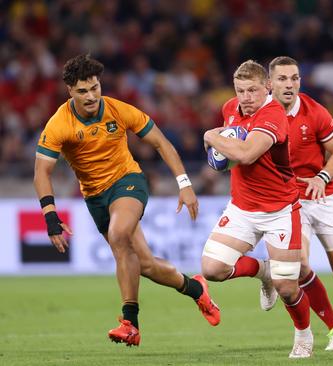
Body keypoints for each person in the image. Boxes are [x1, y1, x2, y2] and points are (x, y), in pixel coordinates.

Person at [33, 54, 219, 347]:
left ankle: (130, 323)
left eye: (95, 87)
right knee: (144, 264)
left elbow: (161, 142)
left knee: (120, 236)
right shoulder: (59, 124)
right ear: (69, 90)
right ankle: (197, 288)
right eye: (83, 91)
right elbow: (42, 171)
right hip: (95, 197)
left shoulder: (118, 110)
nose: (92, 95)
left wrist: (184, 184)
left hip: (128, 182)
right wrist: (50, 215)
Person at [201, 60, 312, 358]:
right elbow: (227, 153)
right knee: (212, 269)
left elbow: (247, 154)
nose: (246, 97)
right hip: (242, 207)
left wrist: (210, 136)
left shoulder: (273, 114)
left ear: (267, 88)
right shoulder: (230, 108)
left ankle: (303, 335)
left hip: (280, 211)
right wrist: (218, 152)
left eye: (252, 90)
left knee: (288, 288)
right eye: (240, 91)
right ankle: (263, 271)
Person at [267, 56, 333, 351]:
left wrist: (322, 177)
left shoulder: (314, 111)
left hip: (323, 197)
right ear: (270, 83)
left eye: (294, 78)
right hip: (288, 202)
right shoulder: (261, 114)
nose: (289, 84)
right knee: (298, 267)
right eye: (283, 79)